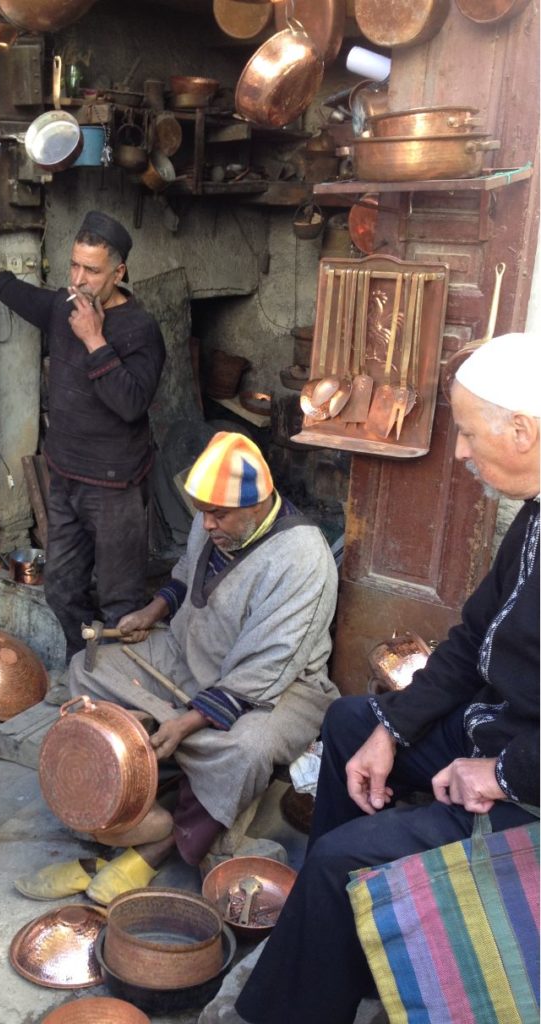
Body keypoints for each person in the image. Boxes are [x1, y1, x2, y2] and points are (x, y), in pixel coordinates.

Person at [234, 331, 540, 1024]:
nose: (458, 452)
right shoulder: (532, 515)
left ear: (520, 430)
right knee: (350, 723)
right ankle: (339, 949)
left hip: (528, 775)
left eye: (465, 432)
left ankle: (305, 981)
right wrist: (392, 729)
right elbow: (468, 641)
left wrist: (497, 775)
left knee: (344, 859)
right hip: (500, 731)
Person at [16, 431, 339, 904]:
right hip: (193, 655)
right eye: (202, 512)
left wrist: (189, 719)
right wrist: (150, 612)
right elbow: (186, 575)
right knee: (91, 664)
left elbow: (269, 664)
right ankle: (131, 789)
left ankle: (154, 846)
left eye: (218, 514)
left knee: (245, 749)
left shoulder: (302, 558)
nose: (206, 524)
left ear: (259, 504)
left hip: (280, 688)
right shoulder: (212, 519)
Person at [0, 212, 166, 661]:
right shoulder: (65, 306)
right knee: (62, 590)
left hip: (115, 487)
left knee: (122, 603)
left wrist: (95, 340)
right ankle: (82, 669)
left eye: (93, 270)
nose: (79, 280)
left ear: (118, 272)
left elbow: (132, 403)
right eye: (74, 266)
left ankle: (121, 697)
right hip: (65, 478)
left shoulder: (141, 329)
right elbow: (21, 295)